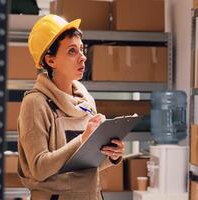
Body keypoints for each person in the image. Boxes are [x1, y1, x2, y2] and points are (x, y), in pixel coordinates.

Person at [17, 14, 125, 200]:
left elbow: (85, 166)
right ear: (50, 61)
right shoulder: (36, 103)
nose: (83, 57)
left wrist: (111, 155)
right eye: (72, 51)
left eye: (81, 49)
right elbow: (39, 168)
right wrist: (83, 139)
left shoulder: (86, 101)